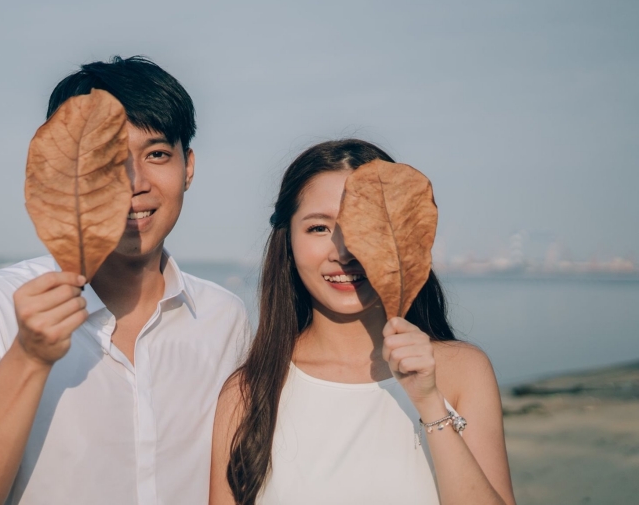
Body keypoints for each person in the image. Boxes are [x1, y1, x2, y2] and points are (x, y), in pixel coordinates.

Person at [0, 56, 249, 505]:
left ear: (187, 167)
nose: (135, 183)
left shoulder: (224, 318)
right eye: (106, 161)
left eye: (157, 155)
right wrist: (29, 357)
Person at [210, 139, 516, 505]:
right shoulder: (249, 392)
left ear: (401, 239)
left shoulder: (461, 371)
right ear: (288, 241)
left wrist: (430, 402)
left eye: (365, 226)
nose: (343, 251)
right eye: (319, 228)